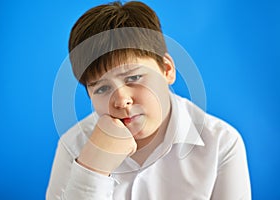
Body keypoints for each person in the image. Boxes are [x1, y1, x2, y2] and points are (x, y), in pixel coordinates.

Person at [46, 1, 251, 199]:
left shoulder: (221, 144)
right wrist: (92, 169)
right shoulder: (73, 146)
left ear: (167, 70)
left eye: (134, 78)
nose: (121, 100)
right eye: (103, 88)